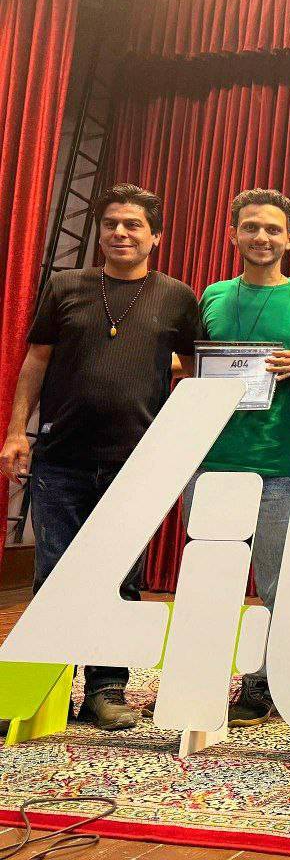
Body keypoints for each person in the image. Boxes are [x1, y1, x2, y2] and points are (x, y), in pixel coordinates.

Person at [0, 183, 199, 730]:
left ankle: (106, 691)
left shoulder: (178, 297)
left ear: (156, 236)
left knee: (121, 581)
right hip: (60, 459)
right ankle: (45, 690)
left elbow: (192, 368)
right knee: (53, 576)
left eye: (133, 224)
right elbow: (36, 360)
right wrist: (16, 433)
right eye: (111, 223)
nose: (120, 233)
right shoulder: (65, 286)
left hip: (137, 464)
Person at [181, 188, 290, 726]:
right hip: (211, 461)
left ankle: (265, 682)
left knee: (276, 583)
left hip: (281, 463)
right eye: (250, 227)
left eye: (272, 229)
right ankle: (200, 677)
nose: (261, 237)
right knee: (209, 581)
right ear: (233, 234)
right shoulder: (212, 296)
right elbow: (191, 362)